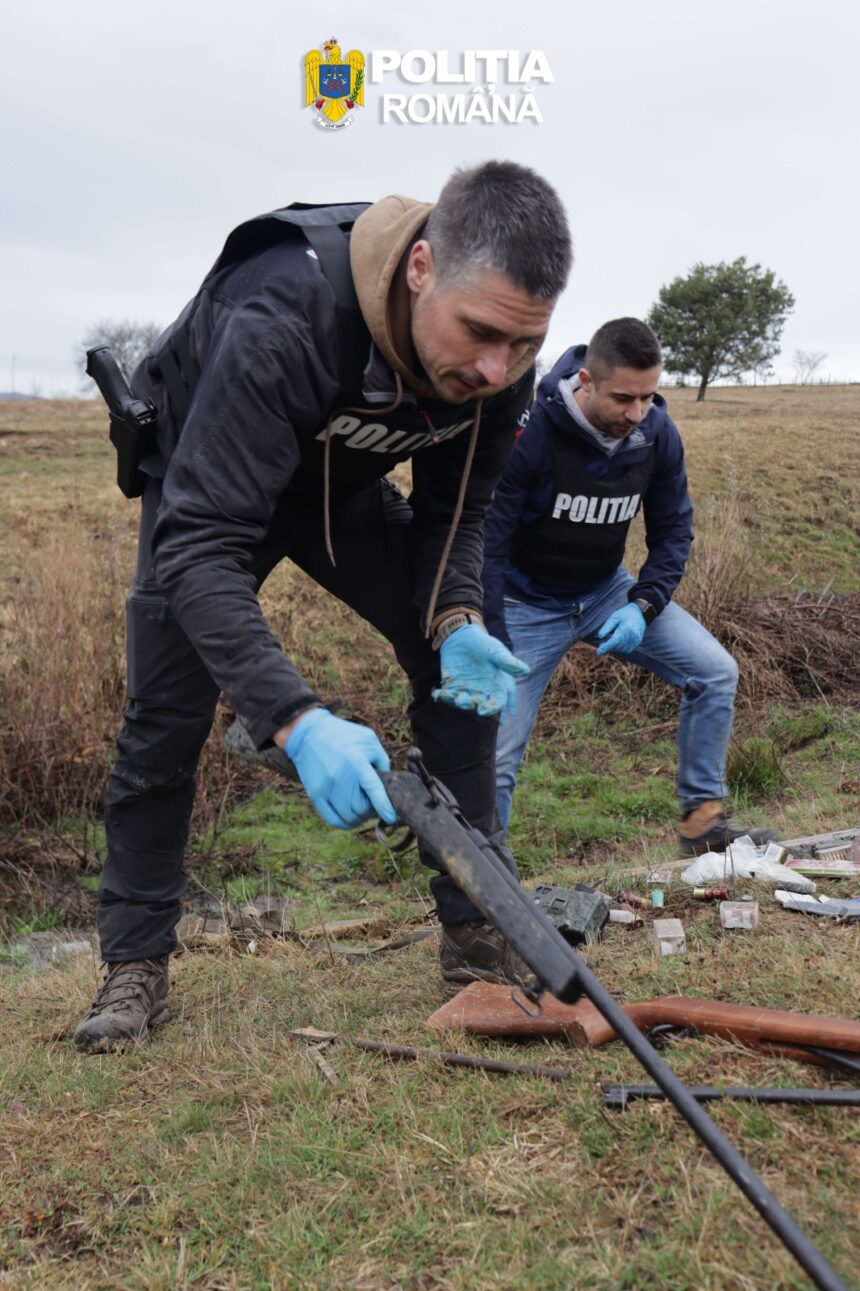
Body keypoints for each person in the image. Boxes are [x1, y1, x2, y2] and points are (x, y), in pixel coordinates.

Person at [73, 162, 572, 1052]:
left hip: (340, 491)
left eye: (524, 343)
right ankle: (134, 962)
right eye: (480, 333)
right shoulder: (284, 312)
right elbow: (199, 547)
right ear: (420, 268)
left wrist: (457, 617)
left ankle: (478, 932)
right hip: (206, 488)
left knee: (459, 675)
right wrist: (297, 721)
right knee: (164, 717)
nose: (497, 367)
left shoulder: (501, 366)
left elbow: (458, 515)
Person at [482, 317, 779, 857]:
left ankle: (703, 824)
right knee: (496, 751)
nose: (637, 413)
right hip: (525, 605)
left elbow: (674, 532)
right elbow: (489, 543)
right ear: (586, 381)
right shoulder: (534, 433)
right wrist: (494, 636)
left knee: (715, 672)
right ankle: (485, 881)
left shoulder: (656, 433)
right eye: (623, 398)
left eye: (647, 397)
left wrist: (642, 605)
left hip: (607, 595)